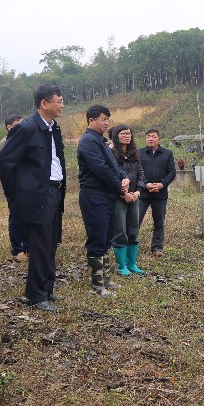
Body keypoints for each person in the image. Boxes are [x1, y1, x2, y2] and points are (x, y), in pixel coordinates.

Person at [0, 84, 66, 312]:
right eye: (58, 101)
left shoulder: (53, 128)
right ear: (44, 103)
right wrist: (16, 196)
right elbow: (6, 162)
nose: (62, 105)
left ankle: (47, 288)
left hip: (55, 191)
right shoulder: (26, 128)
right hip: (37, 194)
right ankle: (36, 295)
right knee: (39, 245)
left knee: (51, 242)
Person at [76, 105, 128, 297]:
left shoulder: (101, 141)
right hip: (94, 196)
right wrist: (118, 185)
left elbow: (113, 166)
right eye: (103, 119)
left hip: (107, 196)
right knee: (97, 238)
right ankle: (98, 285)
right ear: (91, 120)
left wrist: (124, 177)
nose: (106, 123)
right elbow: (100, 169)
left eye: (108, 119)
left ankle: (106, 278)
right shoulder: (88, 141)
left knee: (106, 238)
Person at [110, 124, 146, 275]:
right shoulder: (111, 153)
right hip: (119, 197)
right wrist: (124, 193)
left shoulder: (134, 154)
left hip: (134, 197)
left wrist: (138, 191)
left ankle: (132, 263)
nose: (127, 136)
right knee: (120, 230)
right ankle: (121, 265)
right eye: (123, 133)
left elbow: (141, 174)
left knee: (133, 229)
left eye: (129, 133)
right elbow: (112, 175)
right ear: (116, 136)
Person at [138, 129, 176, 258]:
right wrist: (146, 184)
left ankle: (157, 247)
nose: (151, 139)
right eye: (148, 136)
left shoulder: (167, 153)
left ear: (159, 139)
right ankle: (132, 244)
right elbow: (136, 171)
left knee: (159, 222)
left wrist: (161, 184)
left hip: (160, 194)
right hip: (143, 194)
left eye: (153, 136)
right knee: (135, 220)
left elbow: (172, 172)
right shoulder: (139, 153)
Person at [0, 115, 29, 261]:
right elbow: (6, 167)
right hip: (14, 186)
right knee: (16, 217)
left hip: (27, 184)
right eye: (19, 124)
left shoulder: (25, 139)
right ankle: (17, 249)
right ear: (9, 127)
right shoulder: (5, 142)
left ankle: (28, 247)